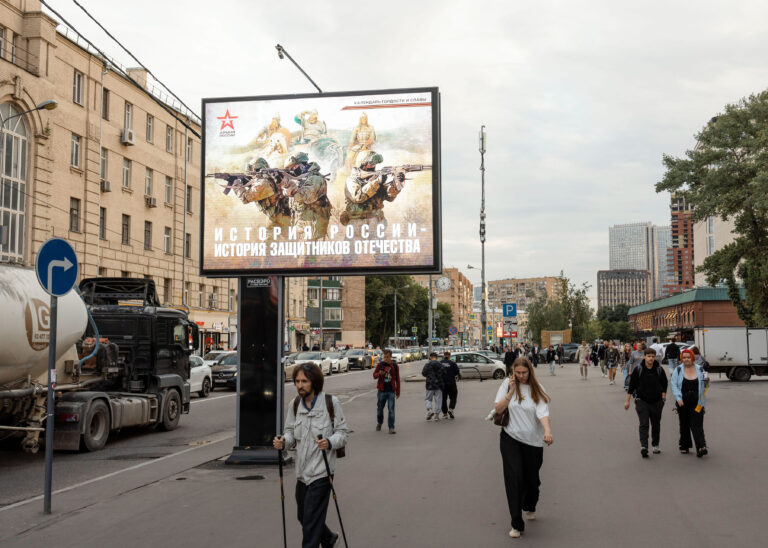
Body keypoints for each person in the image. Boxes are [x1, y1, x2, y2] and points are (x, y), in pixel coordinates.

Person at [273, 363, 349, 548]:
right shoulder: (295, 404)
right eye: (297, 381)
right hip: (302, 474)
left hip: (322, 472)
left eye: (304, 381)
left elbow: (343, 434)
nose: (300, 385)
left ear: (314, 382)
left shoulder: (331, 403)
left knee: (311, 521)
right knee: (304, 516)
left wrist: (329, 442)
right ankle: (329, 538)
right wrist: (283, 441)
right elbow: (290, 432)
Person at [494, 357, 553, 539]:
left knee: (532, 481)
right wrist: (511, 390)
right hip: (510, 438)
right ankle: (516, 523)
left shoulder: (537, 388)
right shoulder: (507, 384)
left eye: (524, 373)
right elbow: (498, 408)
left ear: (530, 372)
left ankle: (530, 504)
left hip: (533, 441)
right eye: (517, 373)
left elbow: (542, 412)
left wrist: (547, 431)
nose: (520, 376)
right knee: (514, 478)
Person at [624, 348, 668, 458]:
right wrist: (627, 401)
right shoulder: (639, 369)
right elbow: (632, 386)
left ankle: (655, 445)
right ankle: (644, 446)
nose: (651, 358)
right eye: (649, 356)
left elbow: (664, 383)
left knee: (656, 424)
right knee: (644, 424)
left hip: (657, 401)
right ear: (645, 357)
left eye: (653, 356)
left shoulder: (659, 369)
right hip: (642, 401)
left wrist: (663, 397)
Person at [671, 349, 709, 457]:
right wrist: (678, 398)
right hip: (683, 400)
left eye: (688, 357)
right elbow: (674, 385)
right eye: (684, 357)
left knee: (697, 424)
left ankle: (701, 446)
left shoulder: (700, 369)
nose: (686, 359)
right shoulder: (678, 370)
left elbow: (706, 386)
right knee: (684, 424)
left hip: (697, 401)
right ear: (681, 359)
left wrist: (707, 382)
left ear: (692, 358)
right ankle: (684, 445)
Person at [373, 349, 400, 434]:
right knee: (380, 409)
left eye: (387, 357)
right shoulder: (380, 365)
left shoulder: (395, 366)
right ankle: (380, 422)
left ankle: (391, 427)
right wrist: (379, 374)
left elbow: (397, 379)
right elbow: (374, 375)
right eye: (384, 357)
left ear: (390, 357)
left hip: (391, 391)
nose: (385, 358)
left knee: (391, 409)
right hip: (381, 391)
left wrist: (398, 391)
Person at [421, 352, 444, 421]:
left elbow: (423, 373)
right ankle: (437, 415)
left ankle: (429, 410)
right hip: (439, 385)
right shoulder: (440, 364)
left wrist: (429, 376)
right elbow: (444, 373)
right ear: (436, 357)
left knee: (428, 399)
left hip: (430, 384)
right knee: (438, 400)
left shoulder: (427, 365)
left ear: (430, 357)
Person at [440, 351, 459, 419]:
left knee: (443, 399)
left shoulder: (440, 363)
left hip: (442, 384)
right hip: (451, 383)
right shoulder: (453, 363)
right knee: (453, 397)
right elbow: (457, 372)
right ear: (449, 356)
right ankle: (451, 409)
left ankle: (445, 414)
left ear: (444, 356)